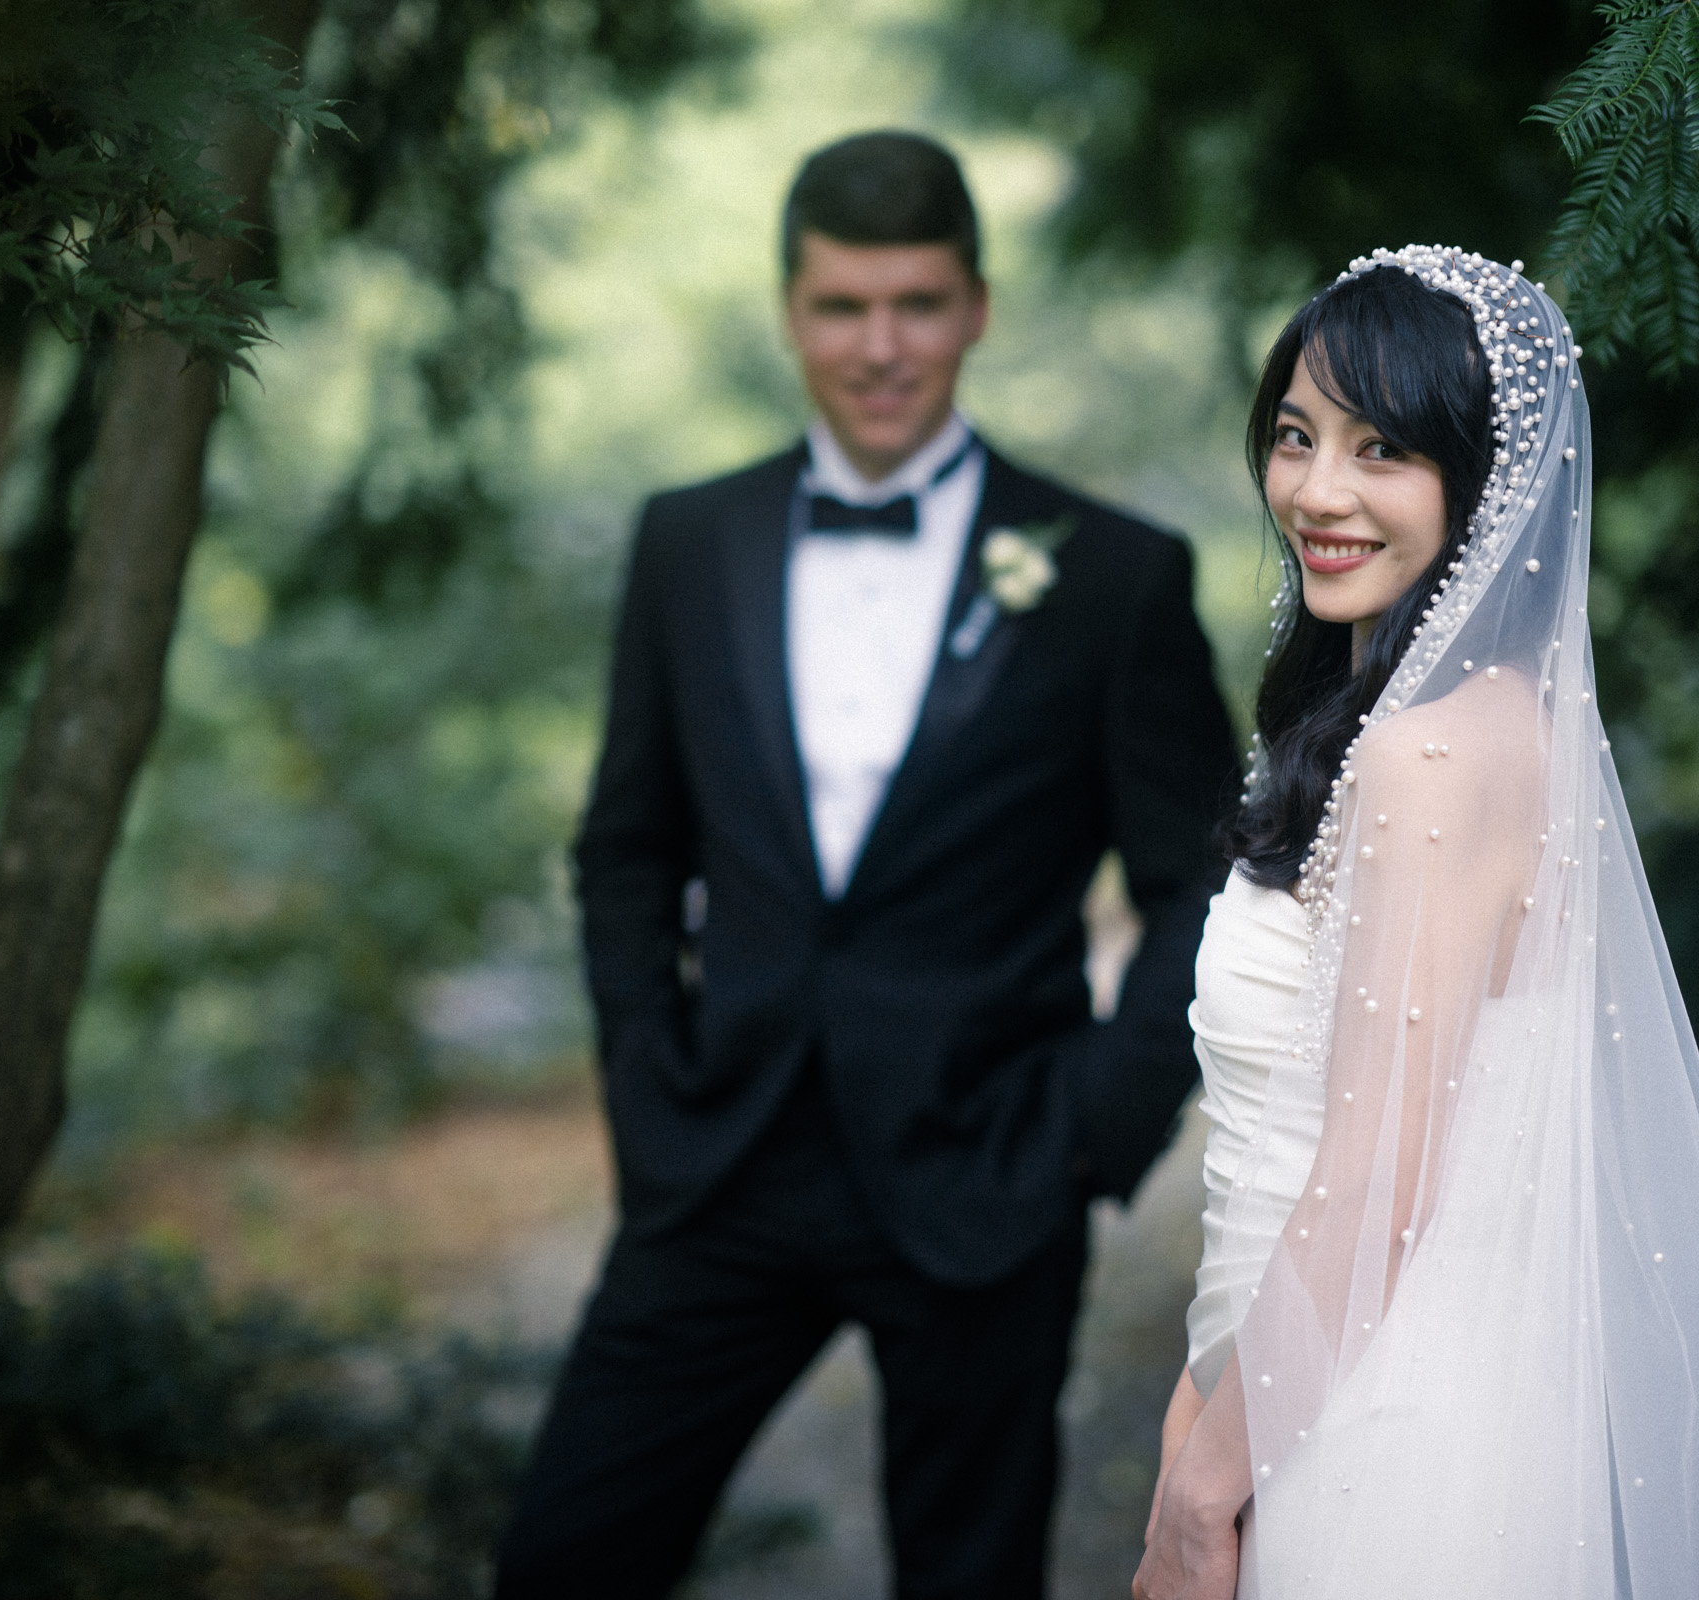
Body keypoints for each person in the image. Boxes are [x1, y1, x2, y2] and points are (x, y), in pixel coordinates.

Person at [495, 130, 1239, 1599]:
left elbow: (1204, 883)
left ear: (975, 305)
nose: (880, 346)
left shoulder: (1111, 576)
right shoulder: (685, 543)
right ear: (791, 310)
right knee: (563, 1559)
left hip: (987, 1171)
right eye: (843, 307)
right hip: (720, 1164)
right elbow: (627, 849)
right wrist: (647, 1082)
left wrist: (1098, 1121)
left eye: (915, 303)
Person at [1135, 246, 1699, 1600]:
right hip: (1292, 1381)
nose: (1319, 490)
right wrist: (1199, 1402)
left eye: (1383, 448)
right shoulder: (1420, 730)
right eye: (1296, 436)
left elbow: (1374, 1190)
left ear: (1484, 487)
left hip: (1375, 1441)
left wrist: (1197, 1490)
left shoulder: (1437, 758)